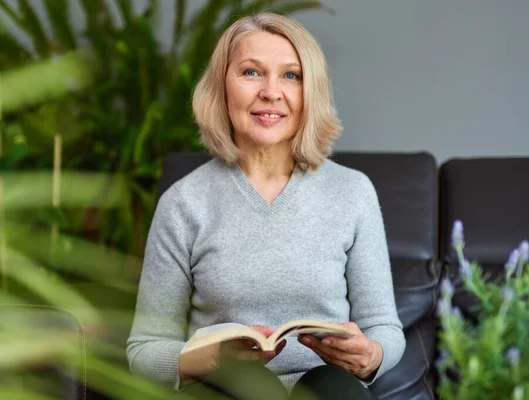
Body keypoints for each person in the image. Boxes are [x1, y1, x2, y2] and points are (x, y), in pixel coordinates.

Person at [126, 12, 405, 400]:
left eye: (291, 75)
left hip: (327, 389)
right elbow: (145, 349)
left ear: (311, 93)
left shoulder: (353, 192)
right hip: (227, 391)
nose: (272, 92)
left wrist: (371, 356)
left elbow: (384, 328)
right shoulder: (183, 203)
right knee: (250, 384)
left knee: (335, 388)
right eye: (252, 72)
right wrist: (207, 360)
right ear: (222, 87)